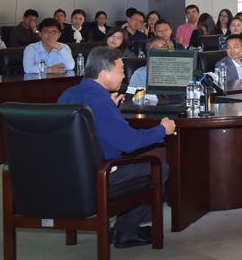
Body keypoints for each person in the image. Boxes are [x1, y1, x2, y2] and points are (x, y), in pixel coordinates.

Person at [58, 46, 174, 249]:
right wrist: (162, 130)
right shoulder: (99, 101)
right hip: (99, 174)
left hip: (67, 173)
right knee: (158, 167)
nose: (124, 76)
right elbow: (129, 143)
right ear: (104, 74)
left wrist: (110, 107)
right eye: (120, 70)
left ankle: (123, 228)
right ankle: (126, 231)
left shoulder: (70, 93)